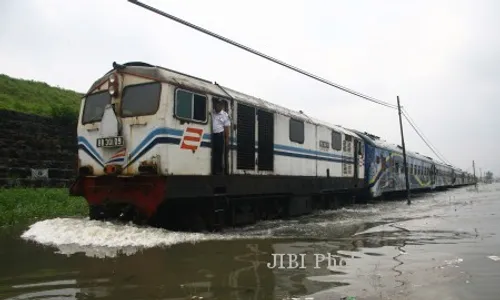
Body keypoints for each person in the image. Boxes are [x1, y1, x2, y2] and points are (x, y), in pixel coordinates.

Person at [212, 99, 230, 175]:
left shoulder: (225, 115)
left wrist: (226, 139)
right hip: (212, 135)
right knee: (213, 153)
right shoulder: (212, 112)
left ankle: (218, 170)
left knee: (219, 153)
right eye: (217, 104)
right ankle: (213, 169)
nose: (218, 106)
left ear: (222, 106)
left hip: (219, 136)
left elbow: (226, 128)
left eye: (220, 105)